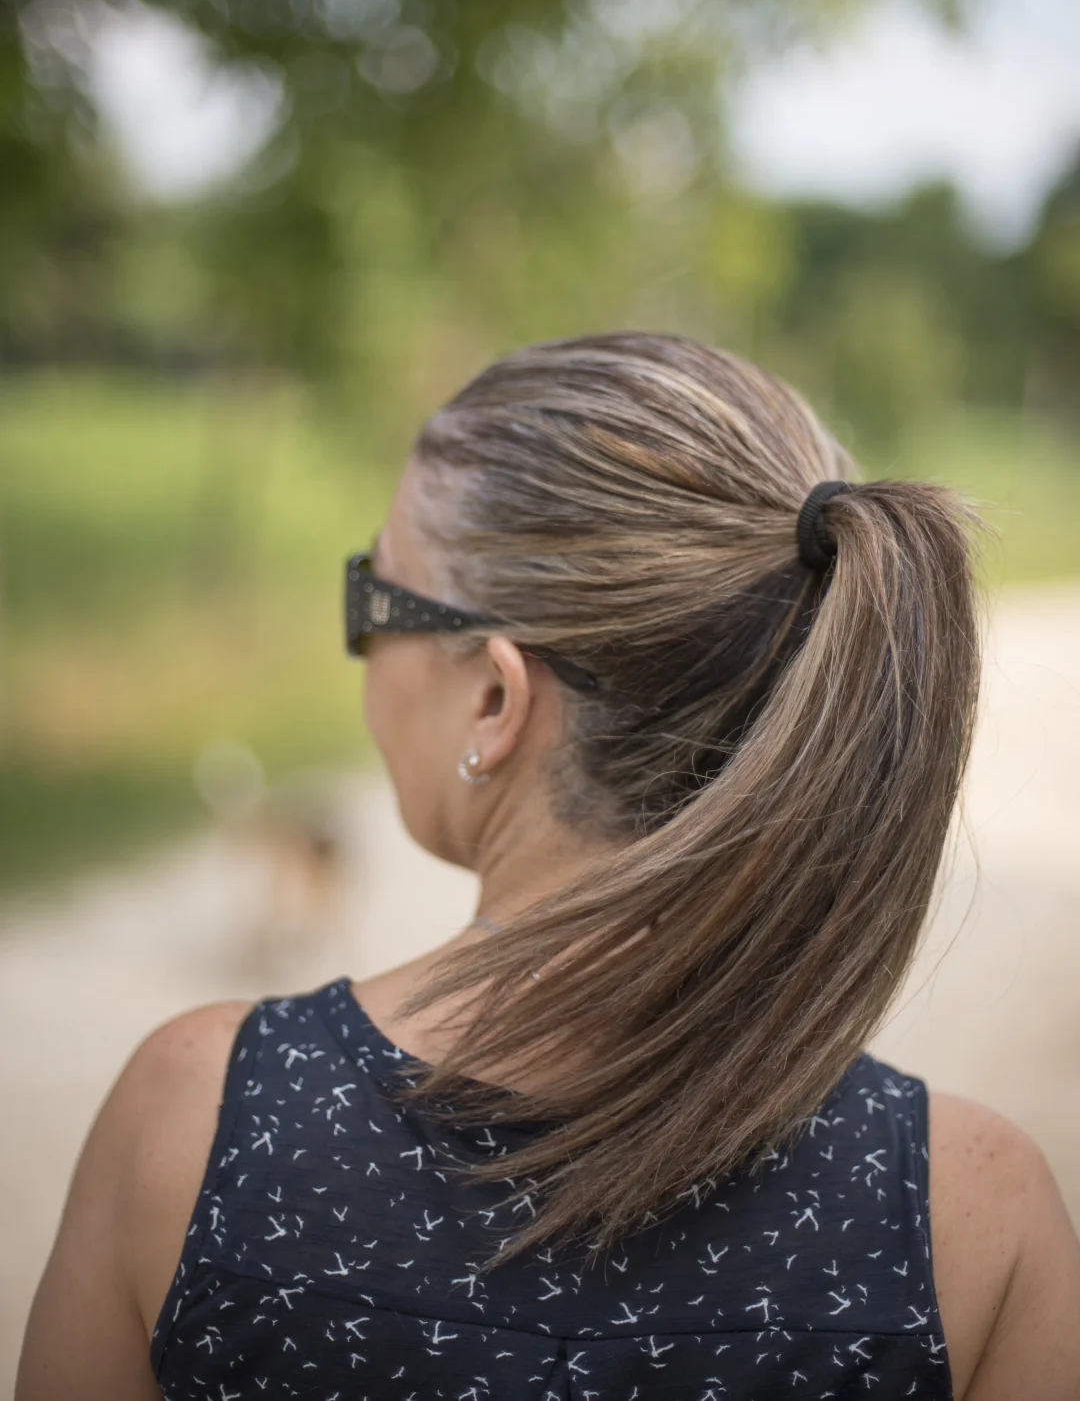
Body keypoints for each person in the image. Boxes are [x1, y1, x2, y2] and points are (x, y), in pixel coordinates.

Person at [17, 333, 1080, 1401]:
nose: (359, 642)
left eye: (371, 596)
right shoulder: (976, 1221)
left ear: (493, 696)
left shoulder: (198, 1125)